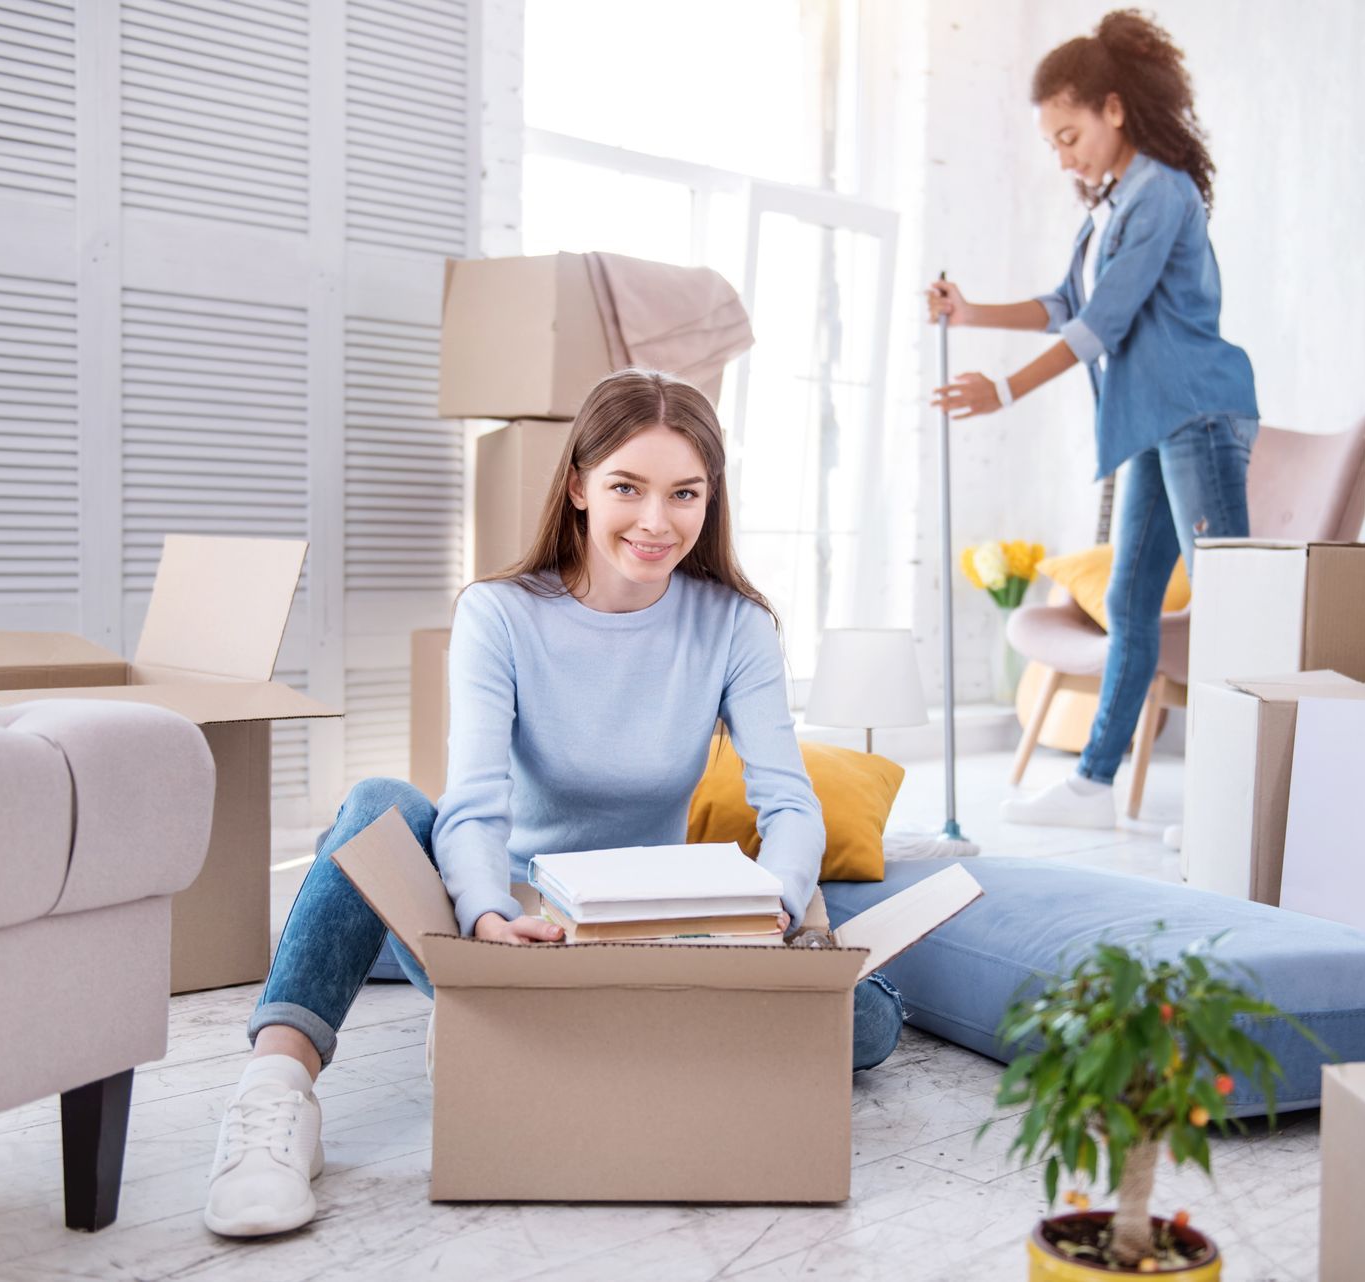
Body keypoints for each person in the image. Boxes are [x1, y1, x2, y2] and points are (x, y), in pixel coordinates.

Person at [204, 368, 907, 1238]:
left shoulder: (735, 624)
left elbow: (789, 805)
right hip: (510, 929)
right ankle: (272, 1100)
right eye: (626, 487)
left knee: (870, 1027)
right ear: (577, 484)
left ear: (710, 498)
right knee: (377, 806)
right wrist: (487, 915)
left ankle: (487, 1004)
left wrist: (774, 904)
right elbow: (472, 805)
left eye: (684, 493)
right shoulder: (500, 613)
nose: (656, 522)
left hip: (650, 934)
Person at [927, 9, 1258, 829]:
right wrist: (969, 314)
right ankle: (1092, 788)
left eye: (1069, 135)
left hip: (1199, 413)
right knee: (1129, 599)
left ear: (1114, 109)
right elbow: (1064, 301)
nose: (1063, 155)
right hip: (1150, 422)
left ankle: (1239, 795)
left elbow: (1098, 327)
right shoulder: (1106, 207)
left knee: (1233, 608)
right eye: (1052, 144)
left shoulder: (1163, 195)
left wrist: (1002, 393)